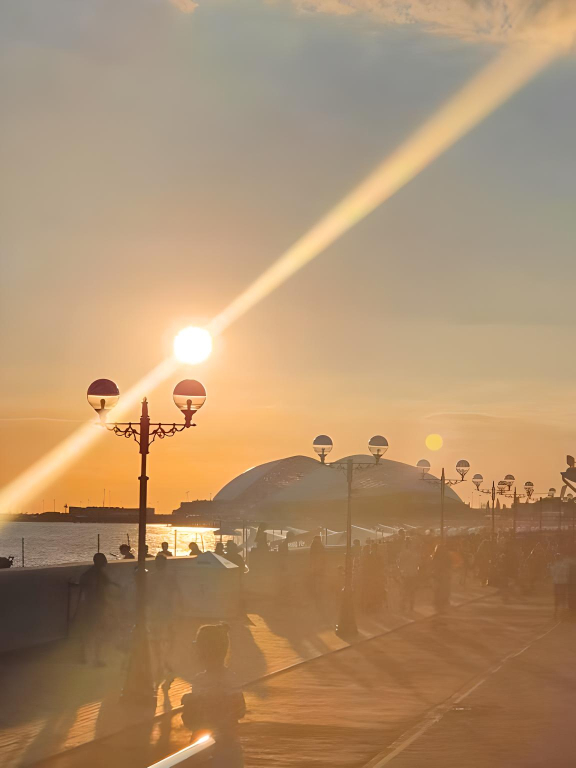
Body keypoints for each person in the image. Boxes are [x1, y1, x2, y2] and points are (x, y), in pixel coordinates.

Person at [182, 623, 246, 767]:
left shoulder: (207, 680)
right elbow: (240, 710)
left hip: (216, 749)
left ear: (203, 652)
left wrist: (200, 703)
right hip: (220, 747)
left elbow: (239, 710)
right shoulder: (227, 678)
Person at [77, 553, 115, 666]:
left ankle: (85, 656)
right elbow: (107, 588)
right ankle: (94, 658)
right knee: (97, 632)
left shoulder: (88, 574)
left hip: (90, 606)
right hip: (97, 607)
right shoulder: (98, 574)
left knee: (89, 632)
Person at [149, 553, 180, 687]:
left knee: (163, 638)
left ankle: (163, 661)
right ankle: (163, 662)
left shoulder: (154, 577)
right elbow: (176, 594)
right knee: (166, 638)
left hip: (162, 611)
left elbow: (175, 594)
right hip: (162, 611)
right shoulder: (164, 577)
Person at [397, 538, 420, 611]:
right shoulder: (415, 554)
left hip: (405, 574)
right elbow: (418, 563)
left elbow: (399, 564)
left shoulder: (402, 553)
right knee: (412, 590)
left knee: (404, 590)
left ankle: (403, 606)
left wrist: (401, 570)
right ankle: (411, 606)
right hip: (413, 574)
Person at [431, 544, 452, 613]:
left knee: (437, 589)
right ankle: (443, 601)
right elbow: (449, 565)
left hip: (437, 574)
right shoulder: (447, 556)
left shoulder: (435, 556)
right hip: (444, 574)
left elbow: (433, 565)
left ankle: (438, 602)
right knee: (444, 588)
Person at [550, 552, 570, 617]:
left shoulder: (554, 566)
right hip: (564, 583)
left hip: (556, 583)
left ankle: (556, 612)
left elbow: (552, 575)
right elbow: (567, 574)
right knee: (563, 597)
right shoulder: (565, 566)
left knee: (557, 597)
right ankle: (563, 612)